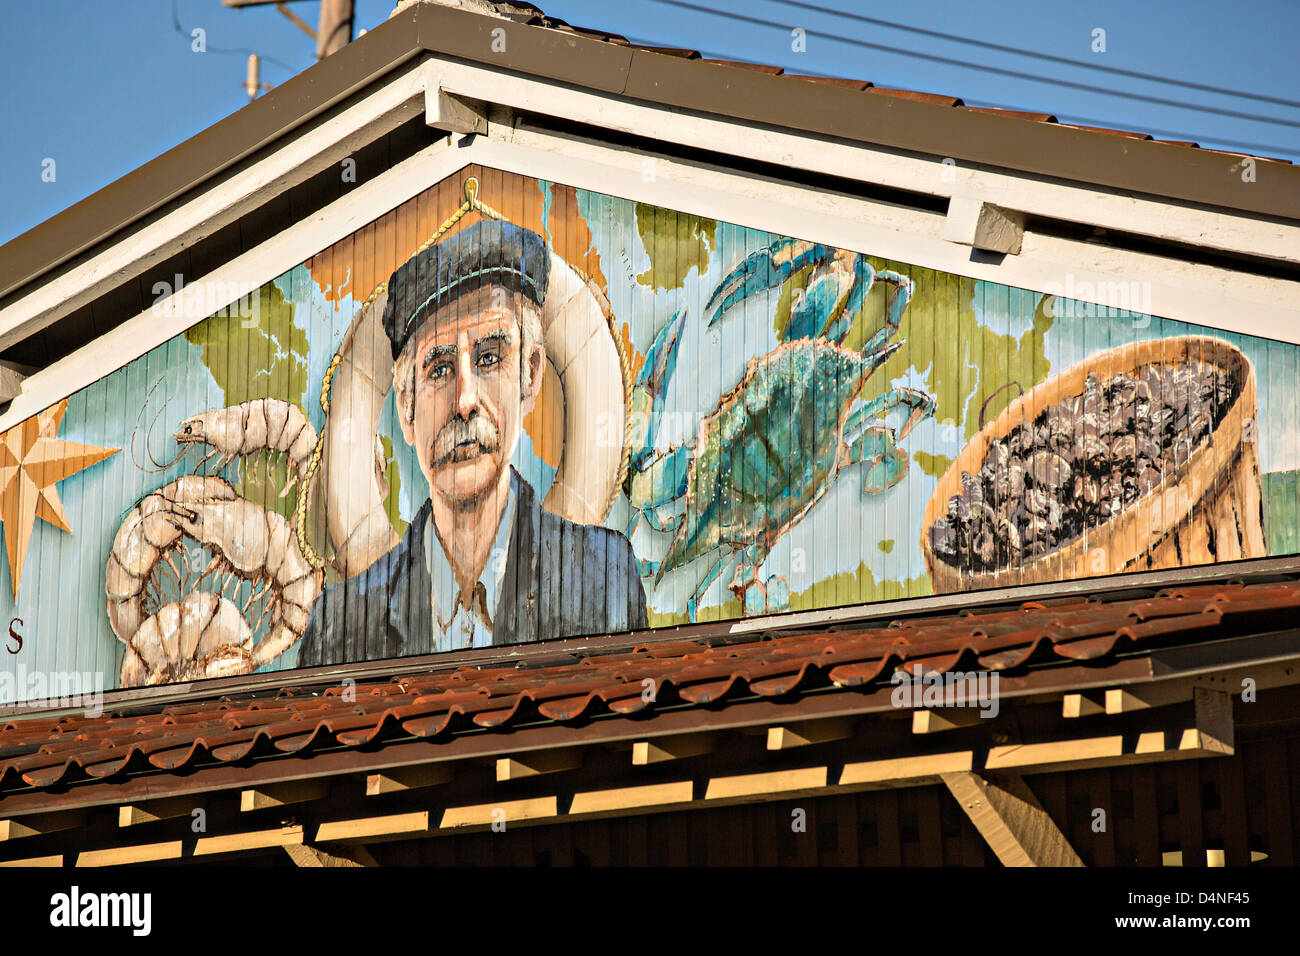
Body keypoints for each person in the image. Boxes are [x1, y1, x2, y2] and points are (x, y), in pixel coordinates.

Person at [296, 220, 647, 668]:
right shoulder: (338, 626)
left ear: (530, 375)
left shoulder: (604, 581)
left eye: (488, 359)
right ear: (406, 408)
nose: (464, 401)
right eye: (439, 369)